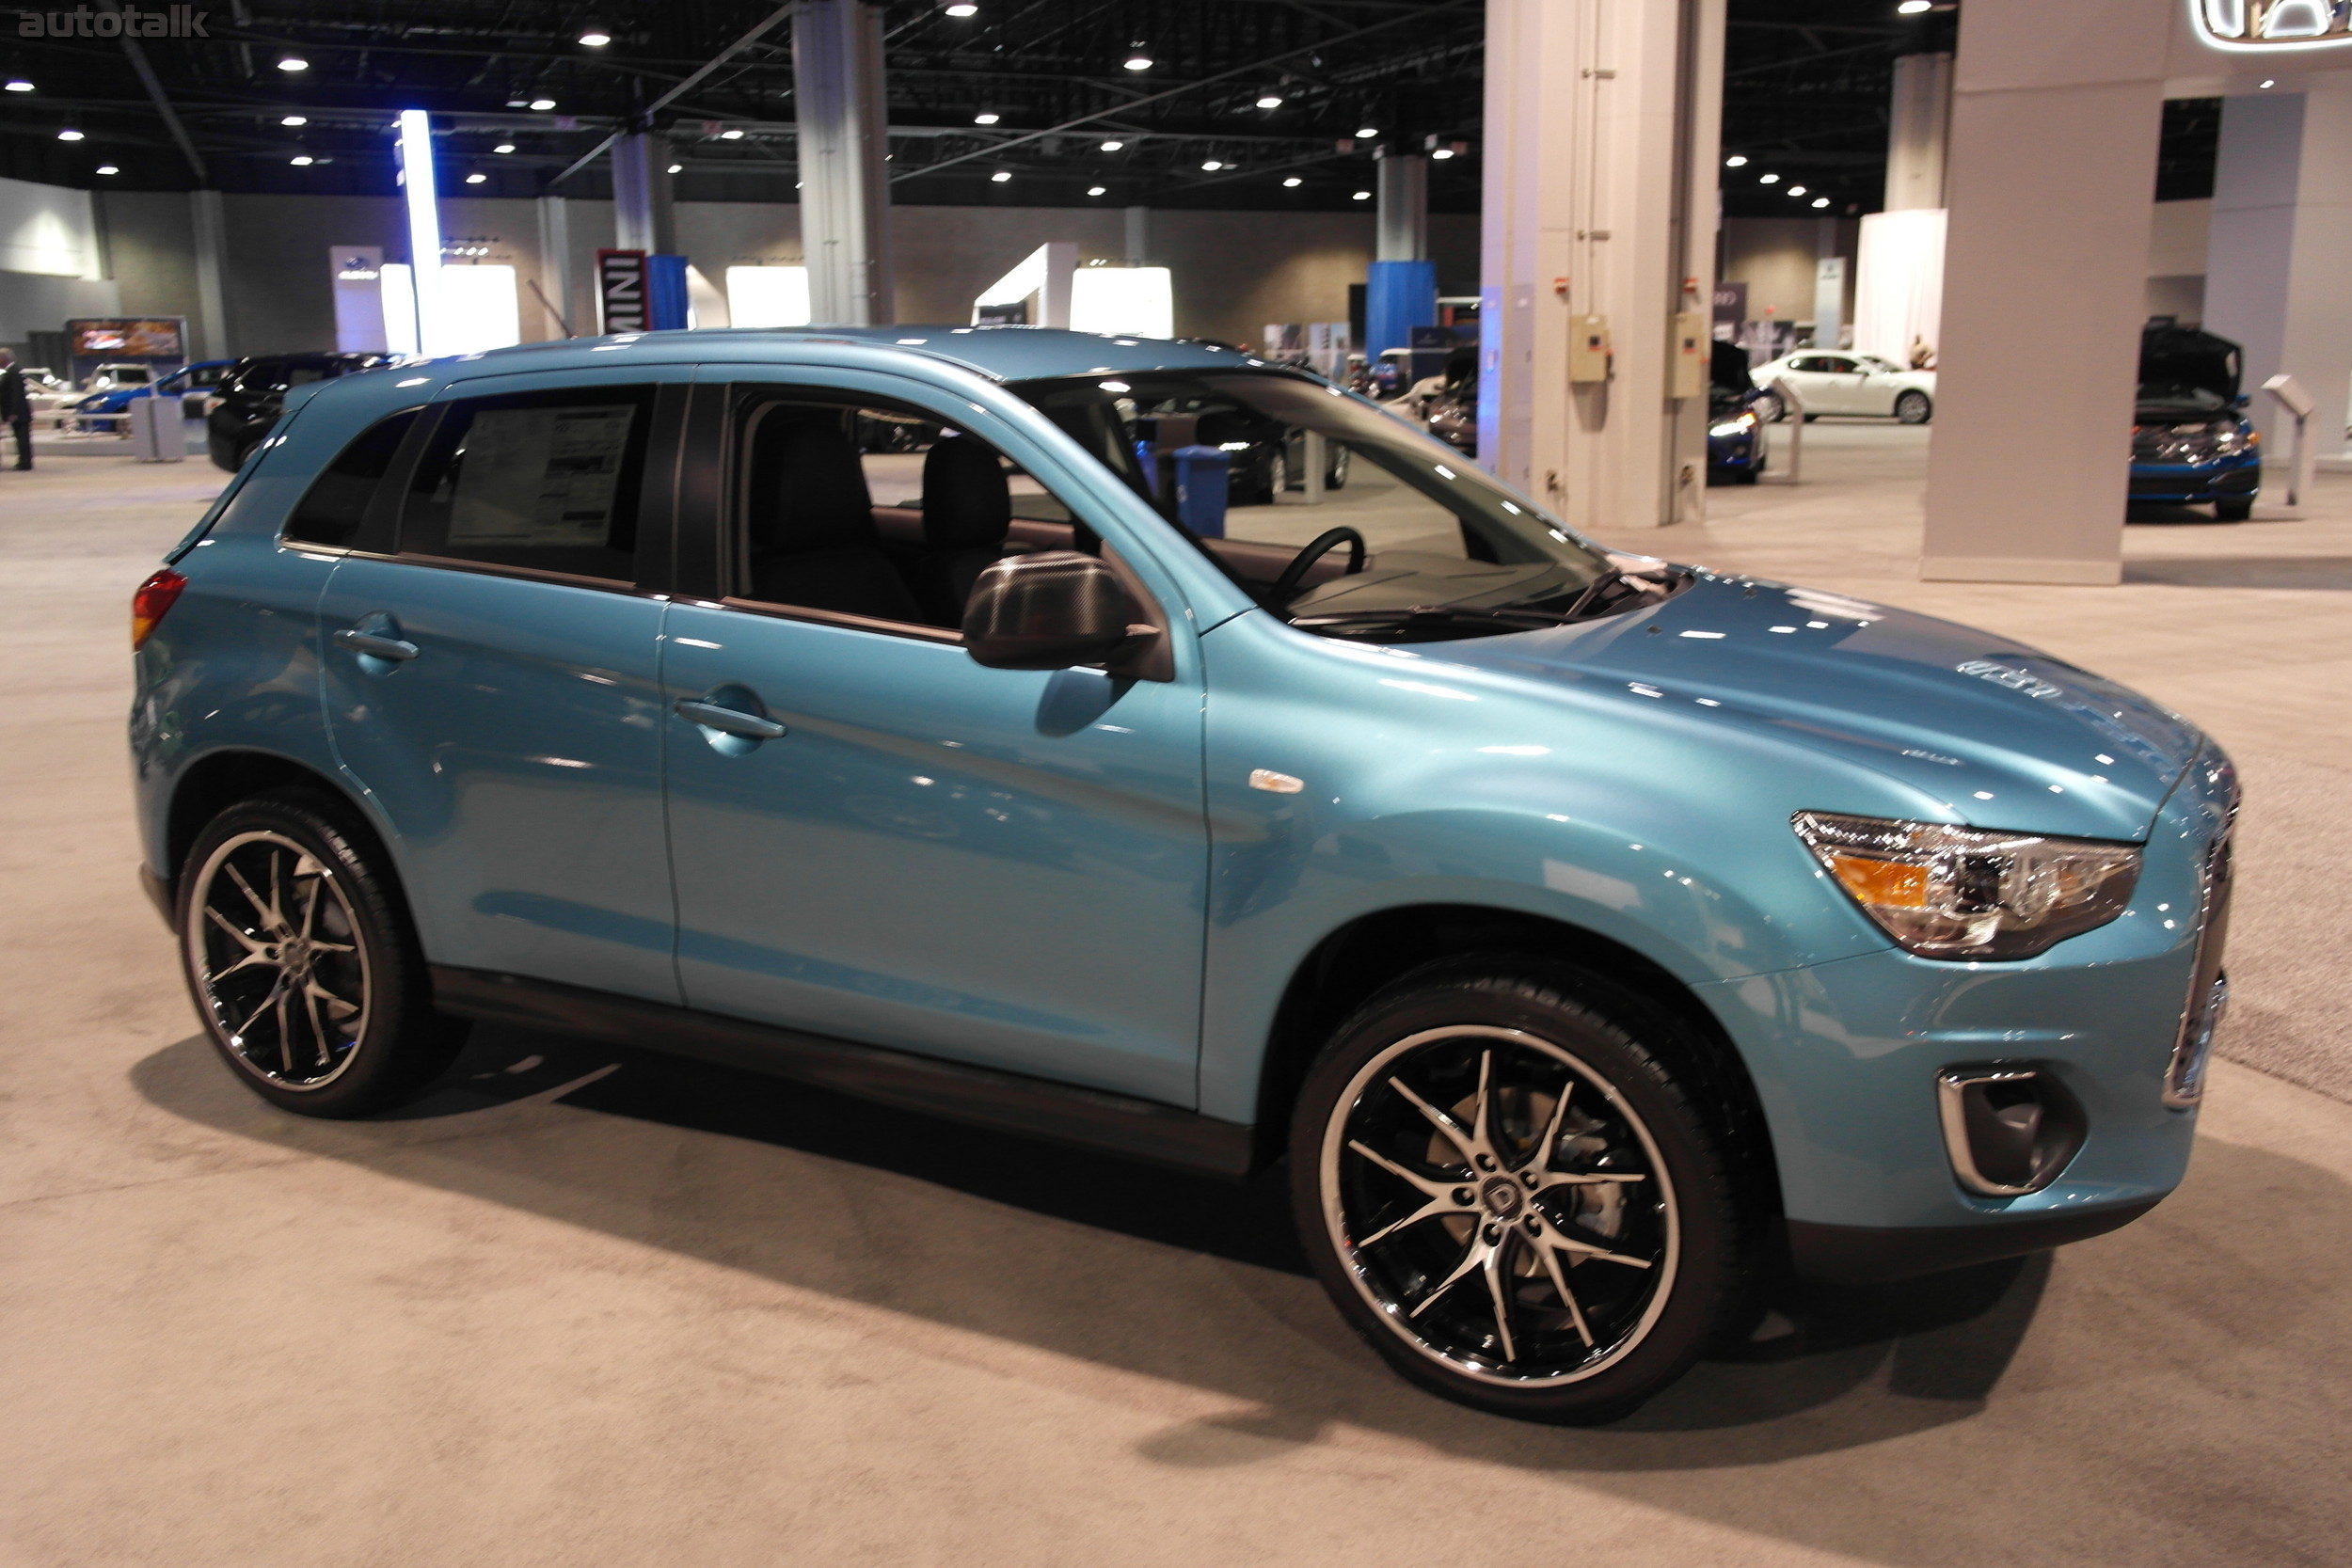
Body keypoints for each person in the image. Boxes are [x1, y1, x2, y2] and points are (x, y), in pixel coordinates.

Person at [0, 348, 30, 470]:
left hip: (18, 412)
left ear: (3, 359)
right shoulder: (13, 370)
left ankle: (25, 463)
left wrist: (13, 412)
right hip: (19, 411)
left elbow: (15, 394)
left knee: (22, 439)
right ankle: (24, 461)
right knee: (21, 438)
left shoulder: (13, 371)